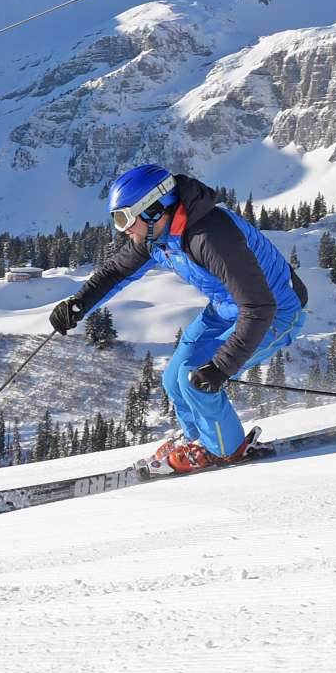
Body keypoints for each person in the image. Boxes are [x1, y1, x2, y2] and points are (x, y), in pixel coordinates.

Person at [48, 164, 309, 474]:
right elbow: (117, 270)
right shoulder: (158, 236)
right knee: (174, 378)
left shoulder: (210, 237)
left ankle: (226, 450)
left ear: (154, 211)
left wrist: (221, 367)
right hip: (228, 307)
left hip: (275, 312)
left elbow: (259, 307)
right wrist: (78, 304)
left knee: (197, 380)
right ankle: (197, 437)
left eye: (125, 219)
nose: (124, 230)